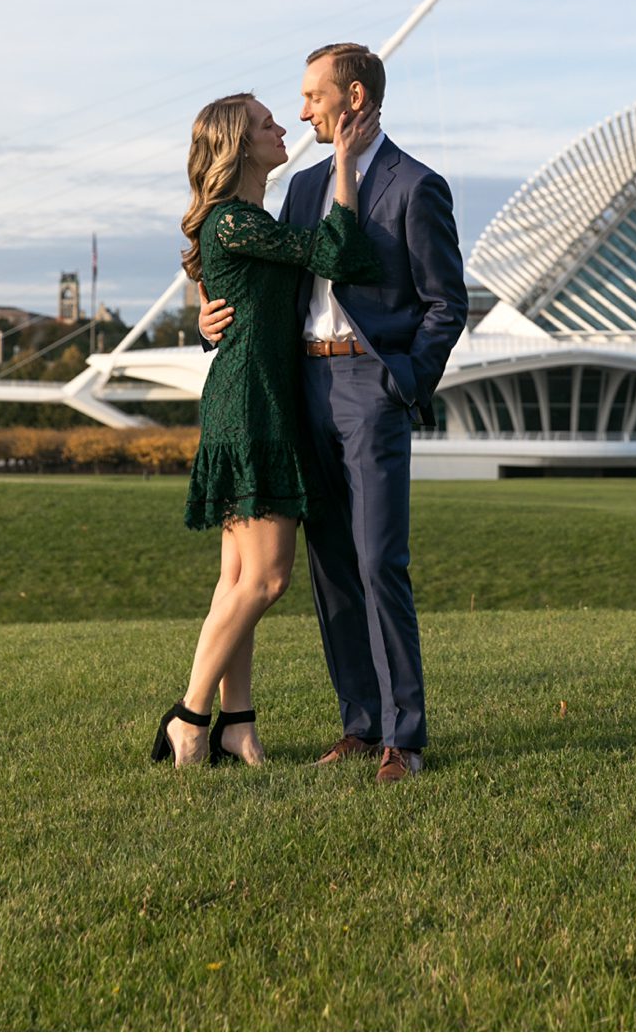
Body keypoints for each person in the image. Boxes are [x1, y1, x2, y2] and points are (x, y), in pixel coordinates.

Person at [199, 43, 468, 781]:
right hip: (301, 391)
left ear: (352, 98)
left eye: (312, 95)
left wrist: (404, 378)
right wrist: (205, 317)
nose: (301, 110)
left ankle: (404, 740)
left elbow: (448, 305)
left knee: (381, 560)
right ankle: (361, 722)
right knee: (332, 568)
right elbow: (258, 274)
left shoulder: (418, 186)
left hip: (368, 388)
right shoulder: (307, 185)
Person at [156, 91, 380, 767]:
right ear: (237, 144)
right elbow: (338, 254)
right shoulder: (233, 222)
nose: (282, 126)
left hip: (254, 398)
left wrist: (203, 320)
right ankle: (190, 718)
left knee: (237, 578)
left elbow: (235, 300)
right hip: (252, 406)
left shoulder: (247, 219)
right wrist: (344, 162)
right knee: (268, 580)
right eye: (265, 123)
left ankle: (238, 724)